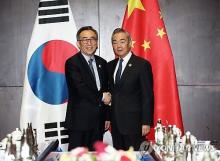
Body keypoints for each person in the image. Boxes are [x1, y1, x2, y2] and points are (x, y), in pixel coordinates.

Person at [65, 26, 111, 151]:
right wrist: (102, 97)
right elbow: (80, 88)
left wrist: (107, 116)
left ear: (97, 43)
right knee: (76, 157)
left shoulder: (103, 63)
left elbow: (105, 89)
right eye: (85, 39)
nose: (89, 43)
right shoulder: (72, 63)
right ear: (78, 43)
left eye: (92, 39)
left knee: (96, 156)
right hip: (79, 123)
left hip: (98, 122)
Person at [107, 28, 154, 150]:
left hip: (135, 124)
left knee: (135, 157)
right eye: (114, 42)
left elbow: (147, 95)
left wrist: (146, 122)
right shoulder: (110, 65)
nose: (118, 45)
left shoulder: (142, 64)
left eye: (122, 41)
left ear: (129, 42)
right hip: (116, 124)